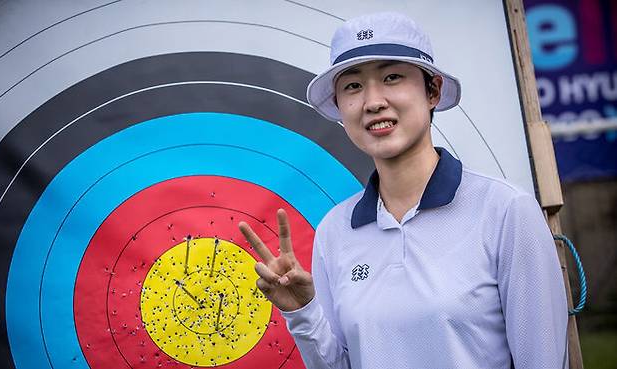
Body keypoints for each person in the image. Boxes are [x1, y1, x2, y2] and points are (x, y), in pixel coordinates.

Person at [238, 12, 568, 369]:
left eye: (392, 77)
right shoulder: (335, 230)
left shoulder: (506, 211)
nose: (373, 101)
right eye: (353, 86)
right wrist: (302, 312)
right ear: (339, 106)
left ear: (433, 91)